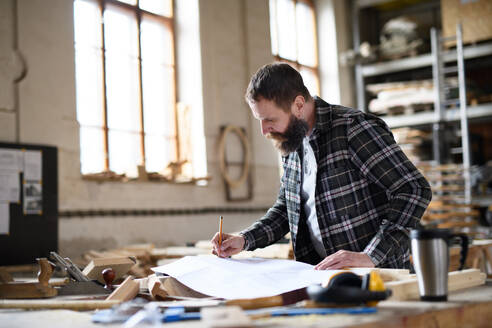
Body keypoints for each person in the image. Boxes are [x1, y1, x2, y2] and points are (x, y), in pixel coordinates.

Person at [211, 63, 432, 269]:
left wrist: (371, 255)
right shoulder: (291, 142)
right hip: (322, 276)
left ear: (298, 105)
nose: (264, 130)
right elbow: (286, 211)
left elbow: (413, 189)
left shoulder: (353, 129)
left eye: (270, 120)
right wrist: (245, 239)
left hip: (378, 275)